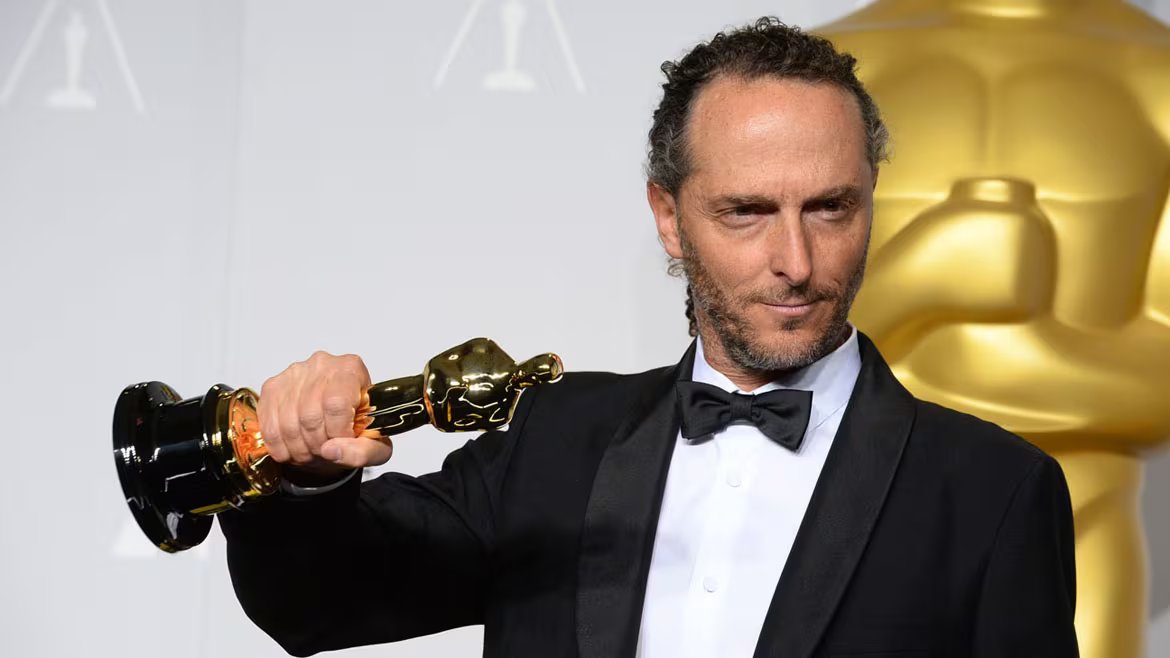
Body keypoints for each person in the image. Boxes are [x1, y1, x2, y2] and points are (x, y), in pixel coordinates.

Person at [219, 17, 1078, 658]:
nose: (797, 261)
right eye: (745, 212)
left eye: (830, 208)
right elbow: (319, 605)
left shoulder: (995, 493)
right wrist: (303, 481)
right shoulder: (556, 437)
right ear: (669, 218)